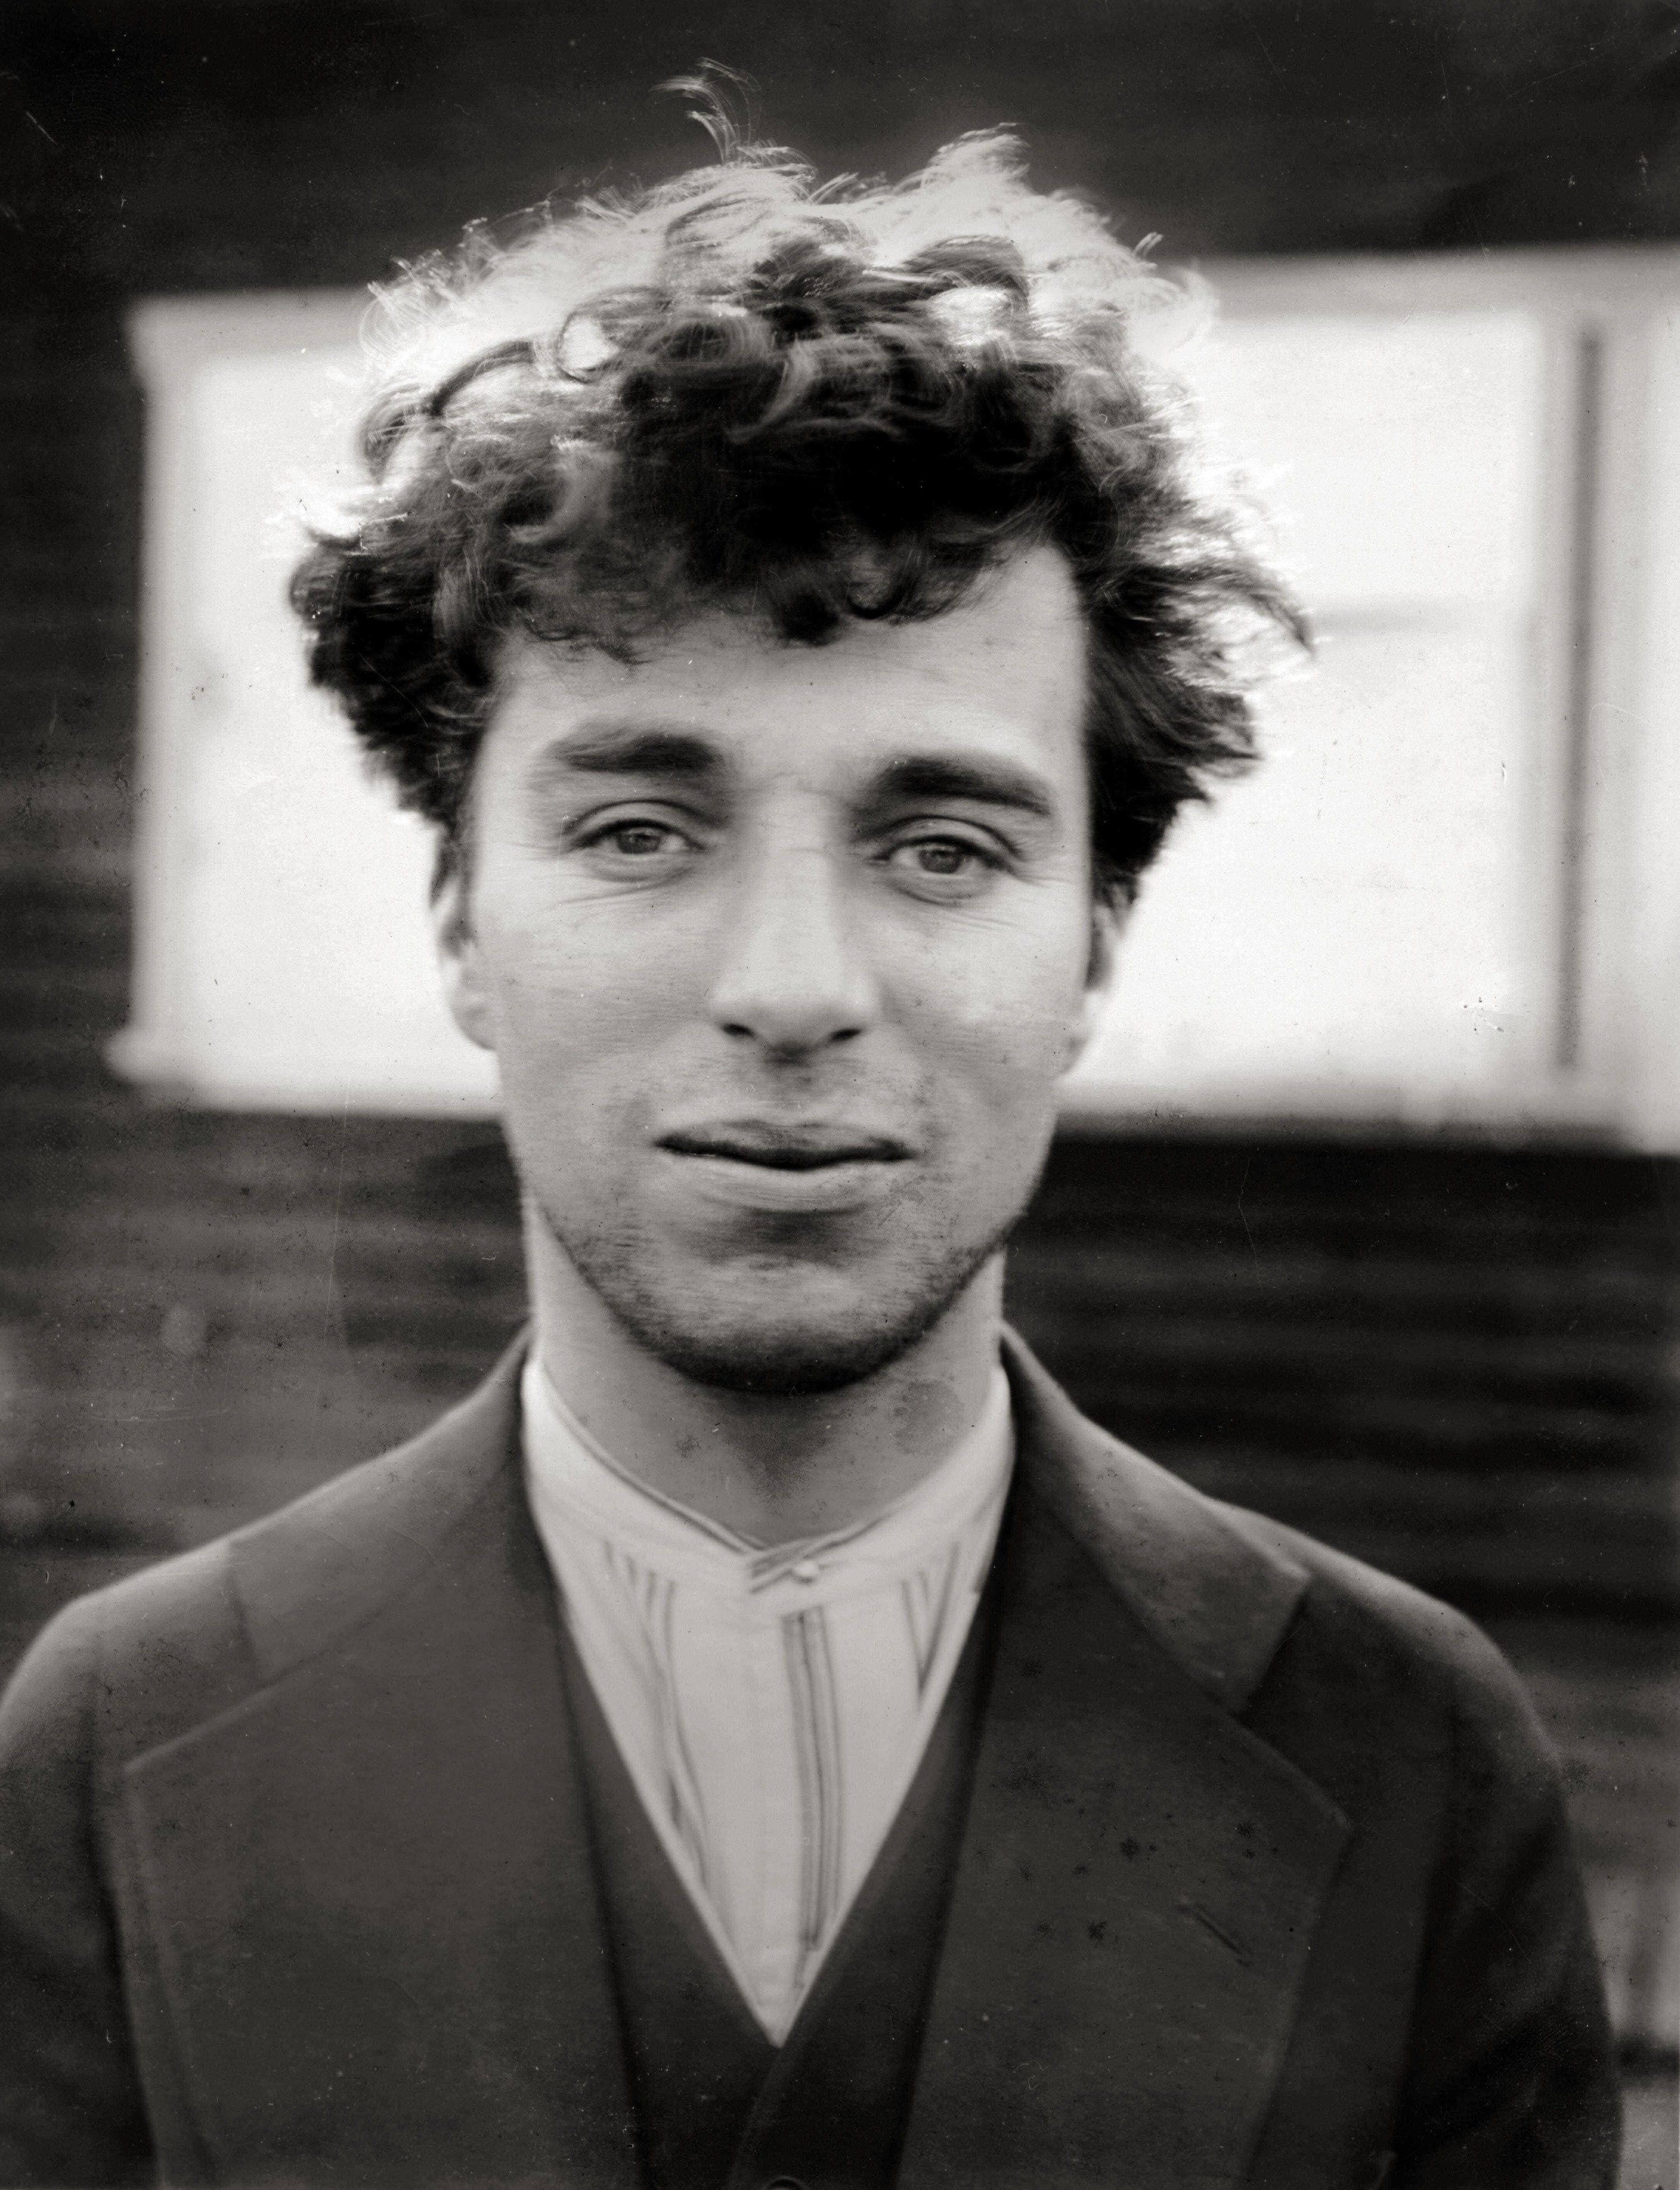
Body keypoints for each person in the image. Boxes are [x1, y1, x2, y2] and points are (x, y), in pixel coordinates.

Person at [0, 114, 1621, 2189]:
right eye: (640, 831)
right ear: (456, 928)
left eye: (941, 846)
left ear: (1094, 949)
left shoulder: (1403, 1750)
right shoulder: (122, 1738)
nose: (790, 986)